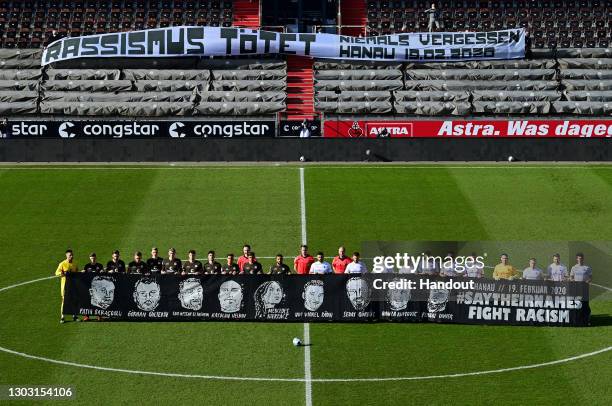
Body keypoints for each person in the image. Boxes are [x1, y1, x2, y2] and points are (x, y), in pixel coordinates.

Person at [55, 249, 79, 323]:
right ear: (66, 256)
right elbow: (56, 272)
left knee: (74, 300)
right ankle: (62, 317)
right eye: (70, 255)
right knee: (64, 300)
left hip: (73, 285)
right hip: (65, 285)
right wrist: (62, 273)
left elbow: (77, 272)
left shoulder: (75, 263)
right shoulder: (62, 264)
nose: (71, 256)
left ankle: (74, 316)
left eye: (72, 255)